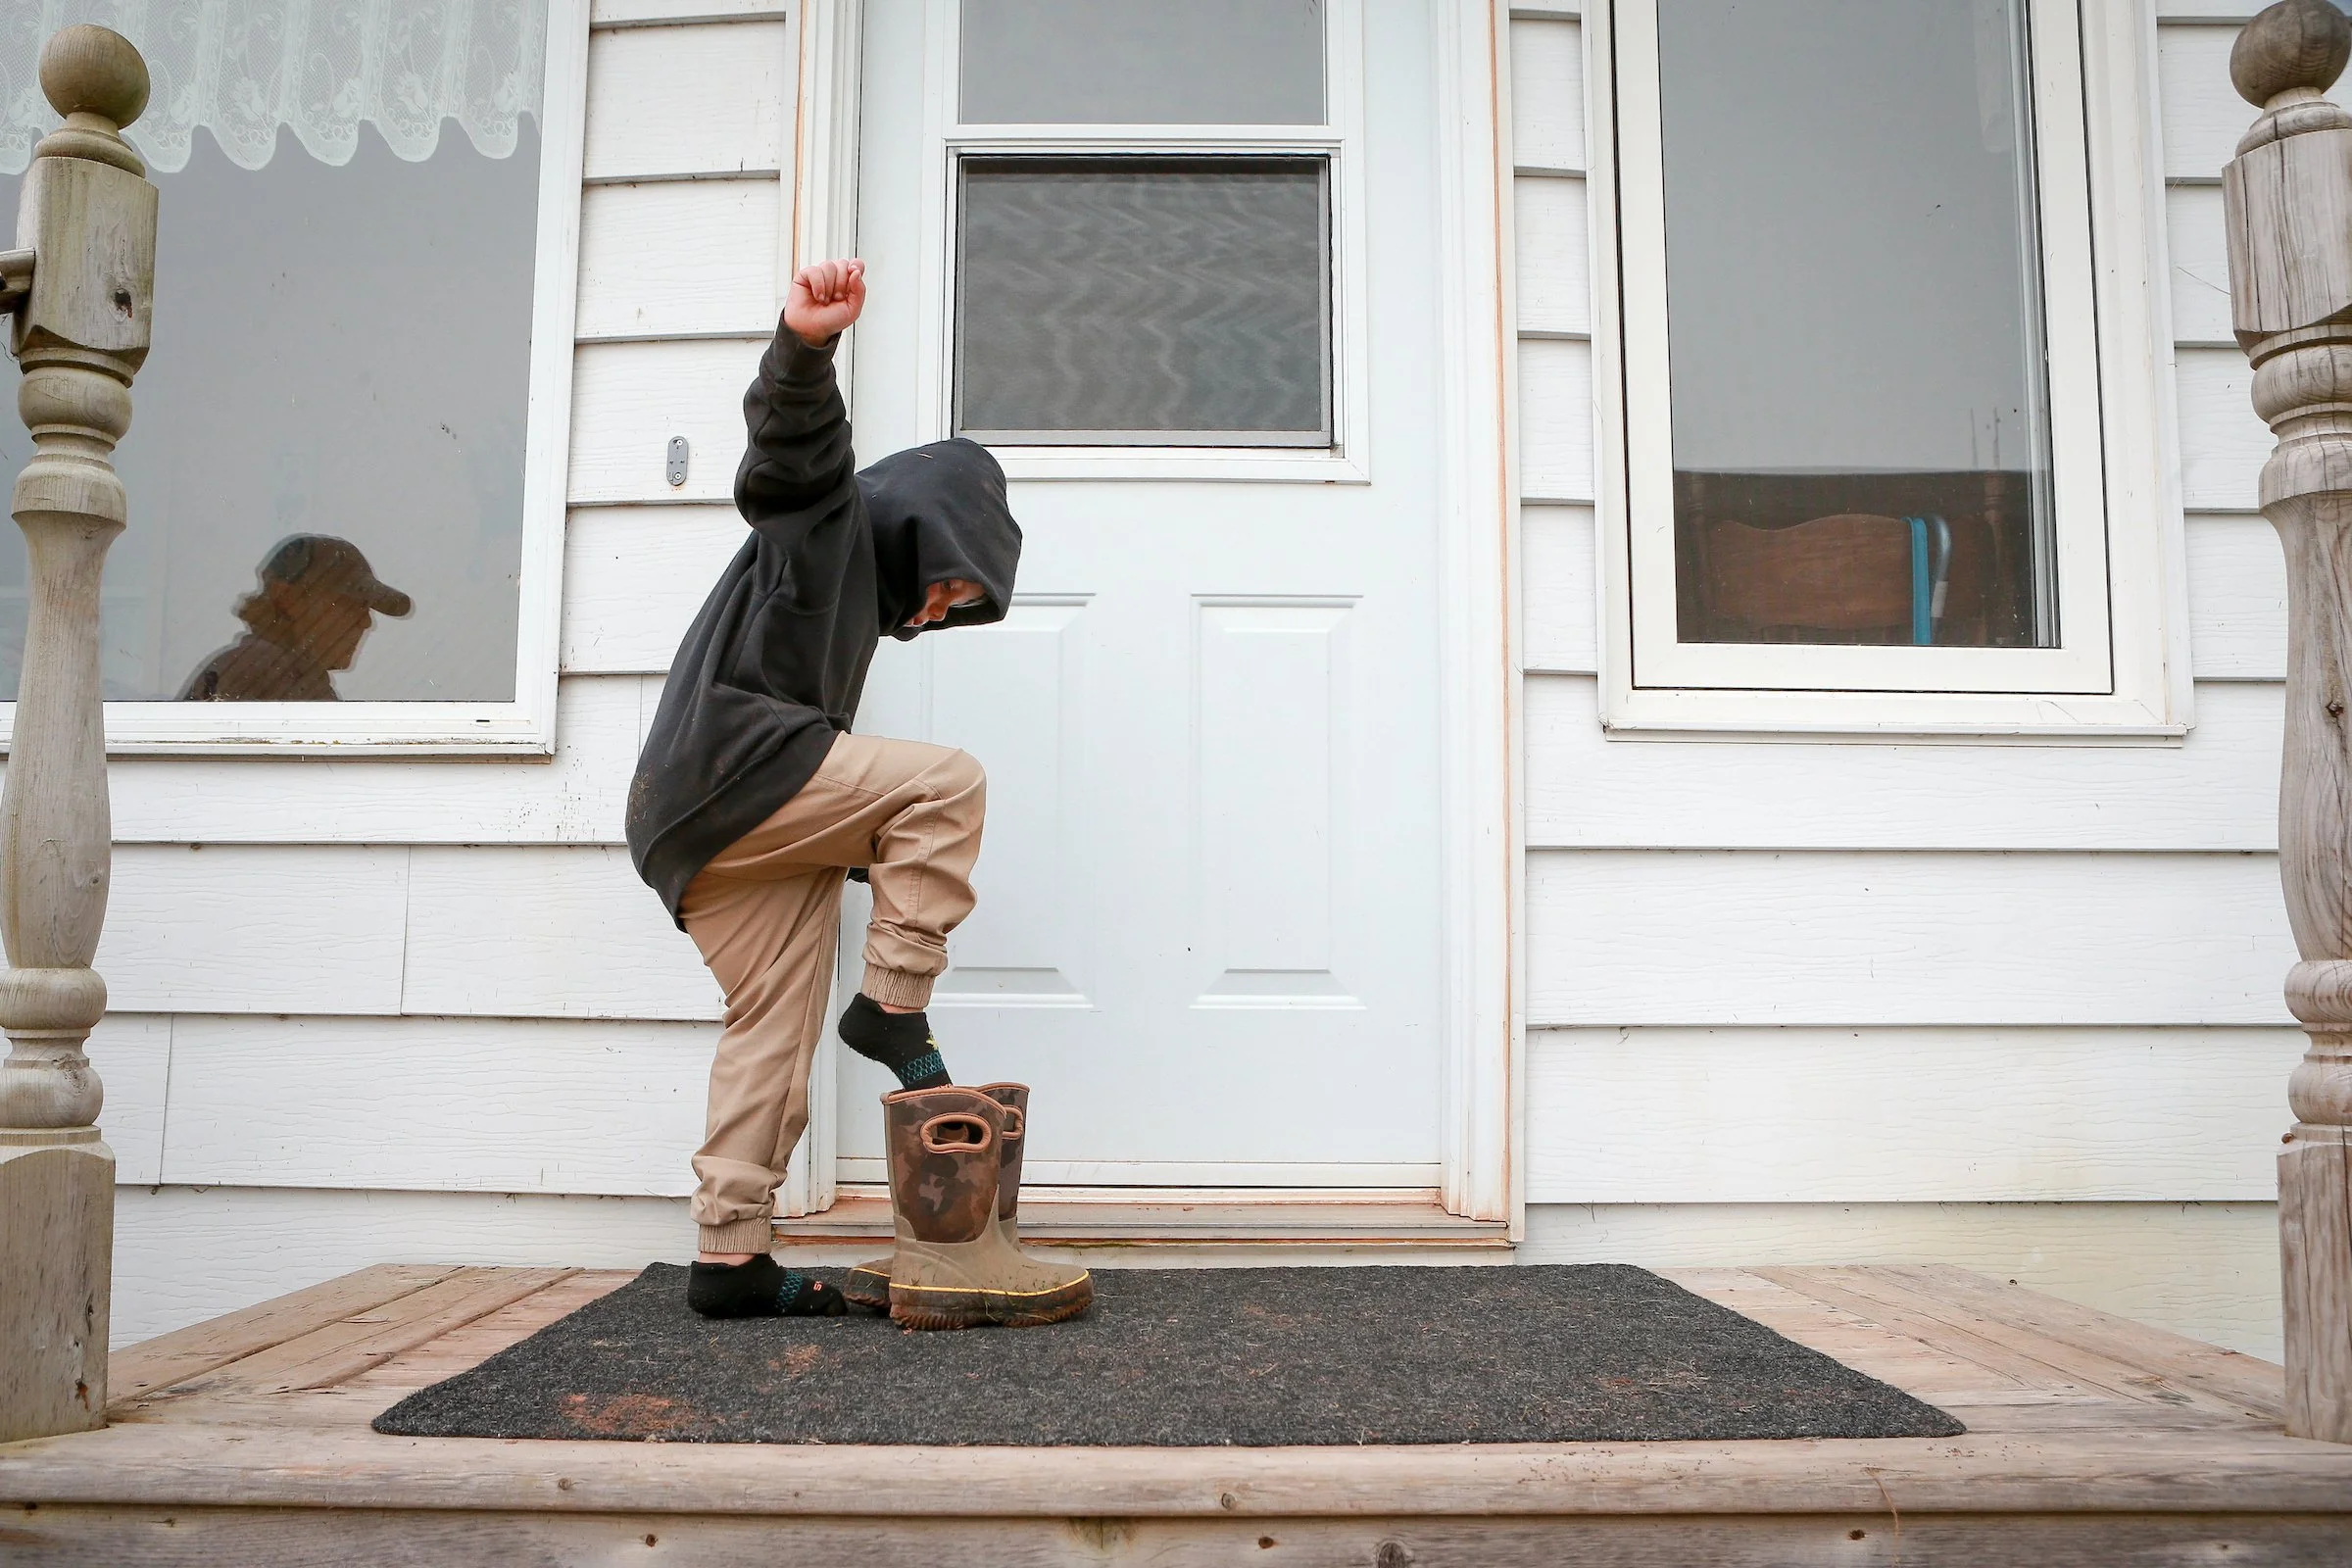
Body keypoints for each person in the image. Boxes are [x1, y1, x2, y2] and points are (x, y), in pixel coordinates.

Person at [626, 259, 1091, 1328]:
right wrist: (804, 346)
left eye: (957, 607)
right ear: (923, 524)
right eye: (946, 581)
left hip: (694, 823)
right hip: (735, 772)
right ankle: (891, 1008)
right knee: (946, 786)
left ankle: (728, 1255)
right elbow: (794, 458)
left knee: (770, 1036)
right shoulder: (829, 527)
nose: (931, 613)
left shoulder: (845, 599)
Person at [179, 534, 412, 700]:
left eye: (367, 609)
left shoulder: (283, 672)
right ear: (287, 597)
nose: (366, 622)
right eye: (351, 604)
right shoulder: (265, 670)